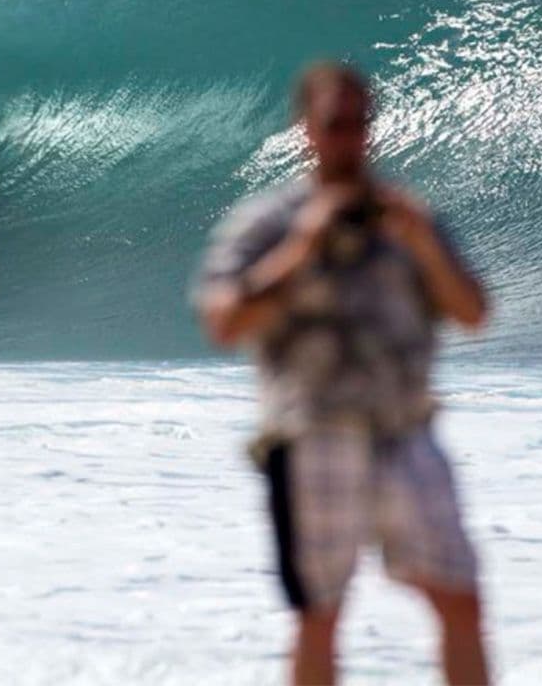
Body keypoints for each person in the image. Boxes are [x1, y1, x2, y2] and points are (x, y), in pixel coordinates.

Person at [194, 62, 492, 686]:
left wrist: (424, 243)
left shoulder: (406, 219)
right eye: (333, 124)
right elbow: (223, 320)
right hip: (312, 435)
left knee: (460, 599)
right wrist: (304, 244)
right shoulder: (271, 221)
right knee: (321, 616)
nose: (347, 137)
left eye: (358, 123)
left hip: (405, 430)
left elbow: (472, 312)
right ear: (306, 130)